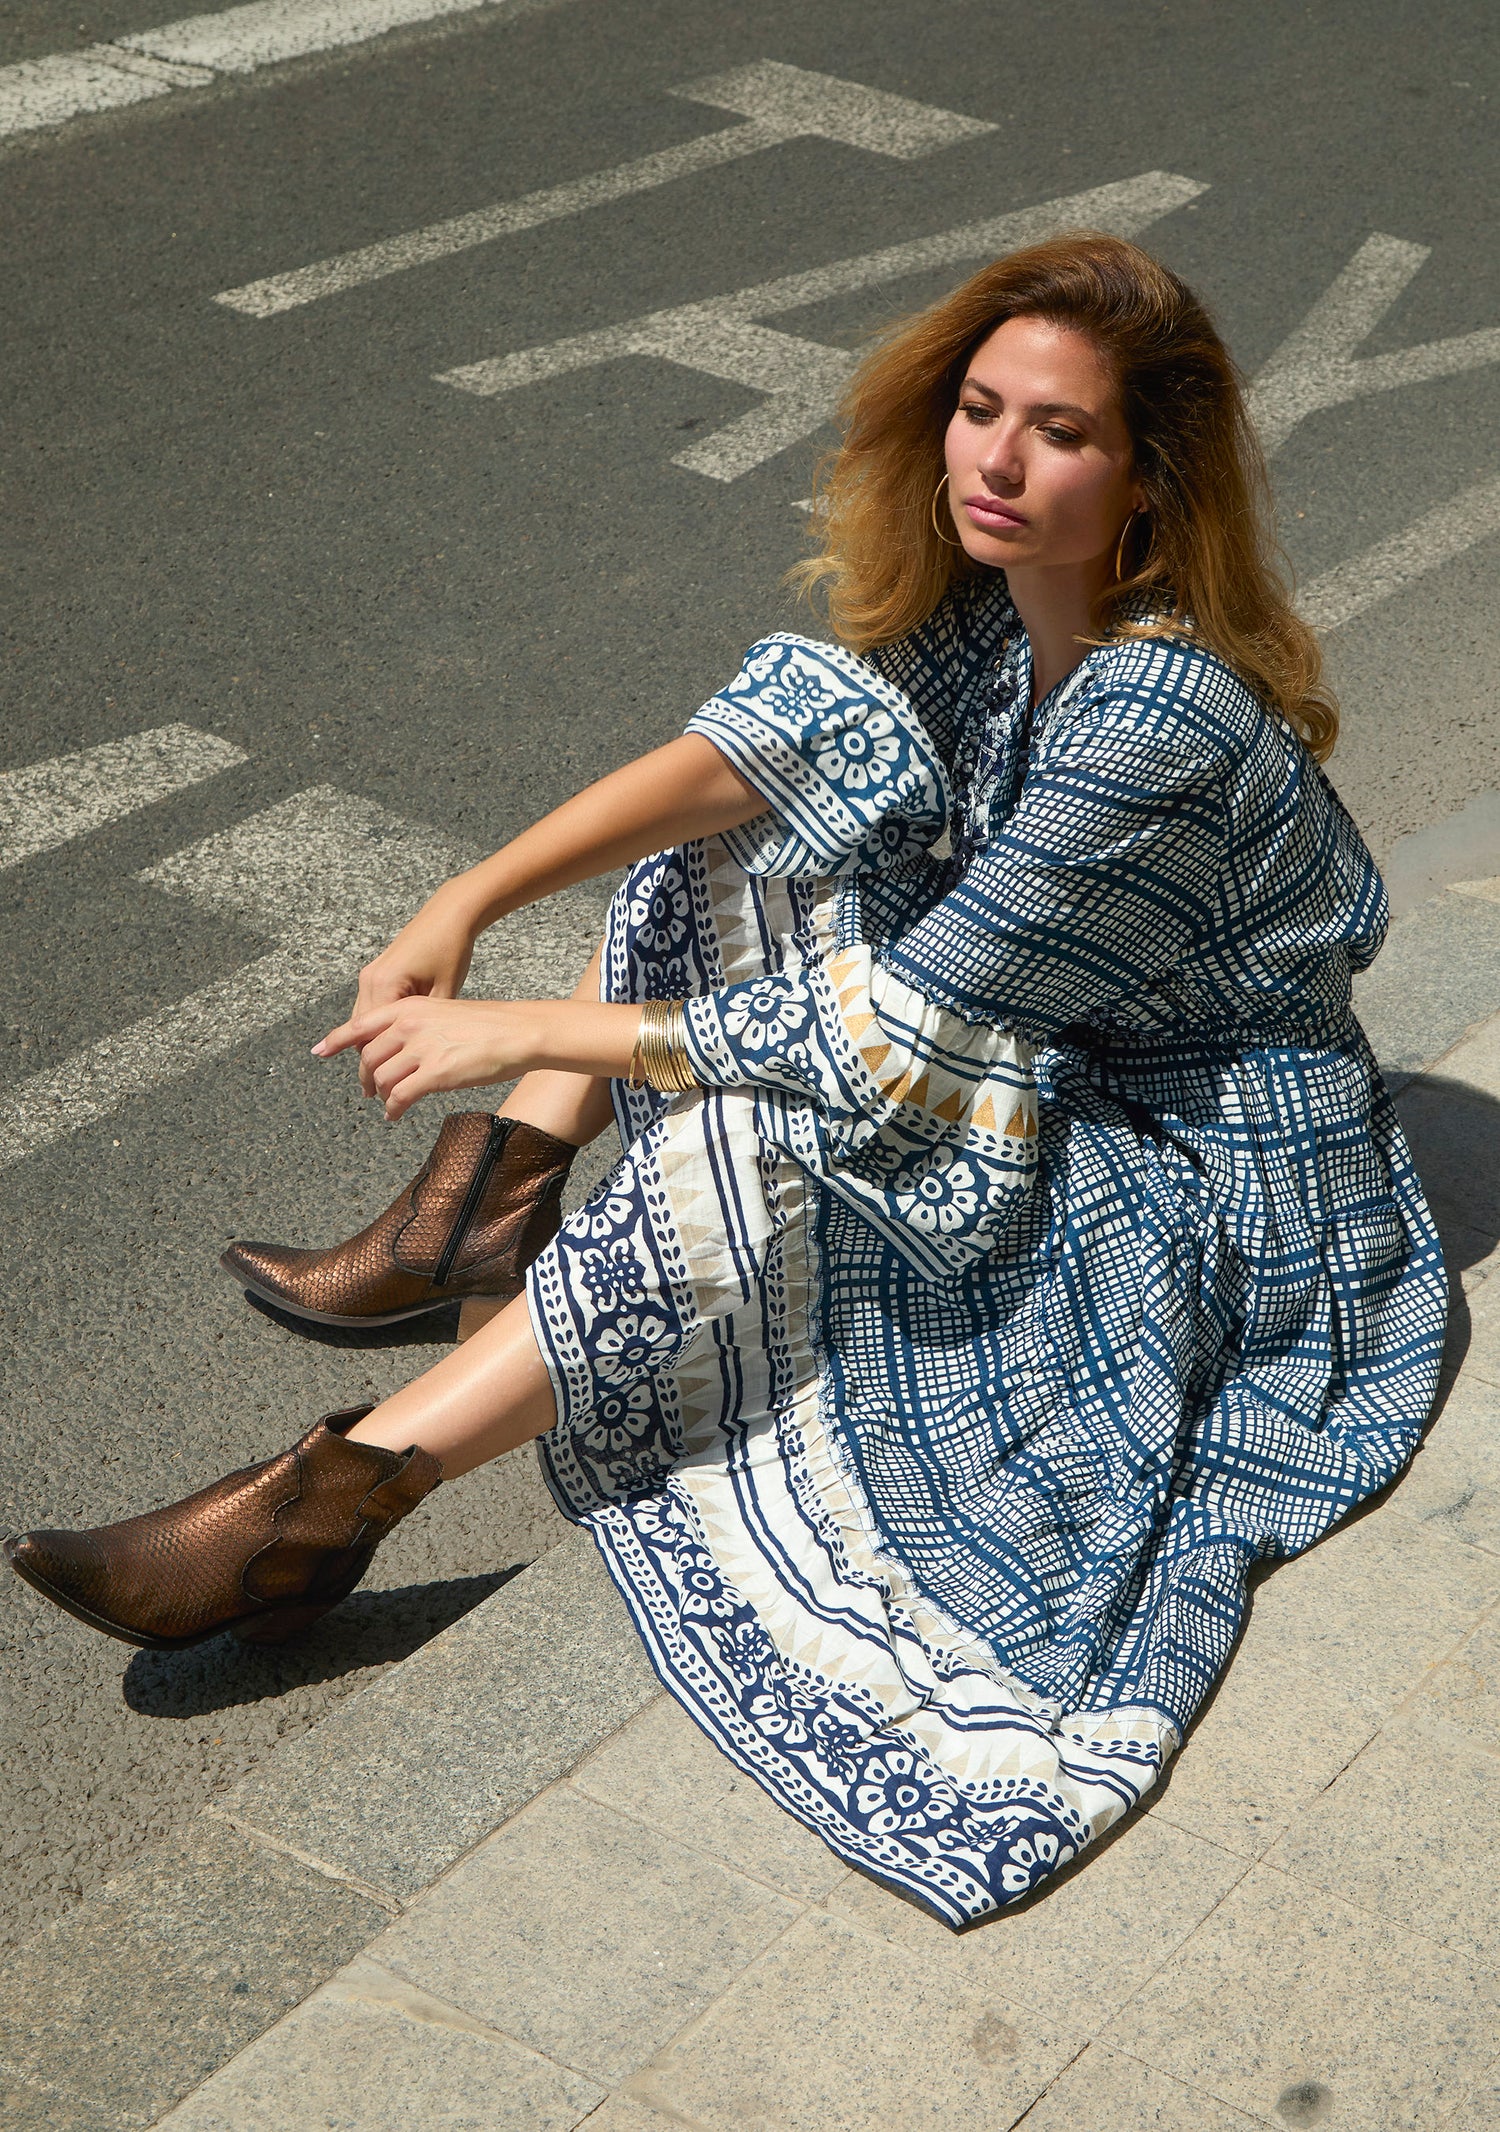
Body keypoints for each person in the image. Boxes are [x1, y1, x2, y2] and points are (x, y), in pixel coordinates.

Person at [5, 234, 1447, 1929]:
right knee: (739, 848)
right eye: (981, 408)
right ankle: (482, 1211)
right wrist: (466, 901)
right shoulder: (1001, 619)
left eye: (1059, 432)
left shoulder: (1160, 717)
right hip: (1046, 1043)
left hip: (1224, 1174)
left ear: (1146, 479)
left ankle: (329, 1498)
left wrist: (520, 1029)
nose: (996, 458)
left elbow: (887, 1037)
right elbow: (749, 759)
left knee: (774, 1129)